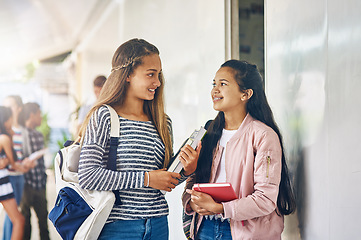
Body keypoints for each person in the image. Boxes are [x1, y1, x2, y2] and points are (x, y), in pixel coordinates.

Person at [78, 38, 200, 240]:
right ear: (127, 75)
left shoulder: (163, 122)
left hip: (158, 224)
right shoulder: (104, 117)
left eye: (159, 75)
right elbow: (88, 176)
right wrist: (147, 178)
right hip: (117, 228)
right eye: (151, 74)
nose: (158, 82)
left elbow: (163, 181)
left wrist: (187, 170)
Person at [182, 60, 296, 240]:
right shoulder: (209, 132)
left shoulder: (264, 136)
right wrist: (193, 203)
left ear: (246, 94)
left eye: (223, 84)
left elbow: (265, 200)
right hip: (205, 228)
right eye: (214, 84)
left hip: (245, 233)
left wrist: (220, 208)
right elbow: (195, 179)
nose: (215, 90)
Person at [2, 96, 34, 240]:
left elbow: (16, 158)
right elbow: (13, 163)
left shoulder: (19, 132)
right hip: (6, 178)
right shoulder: (5, 137)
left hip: (14, 176)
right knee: (16, 218)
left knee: (14, 217)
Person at [18, 102, 50, 240]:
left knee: (44, 221)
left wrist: (44, 179)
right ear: (31, 115)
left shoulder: (38, 135)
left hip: (40, 185)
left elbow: (41, 162)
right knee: (25, 223)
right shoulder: (20, 134)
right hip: (26, 185)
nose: (41, 117)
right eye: (39, 114)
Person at [0, 106, 25, 240]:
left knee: (16, 220)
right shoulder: (4, 138)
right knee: (18, 220)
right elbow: (13, 164)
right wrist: (25, 167)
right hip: (2, 181)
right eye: (10, 119)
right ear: (5, 120)